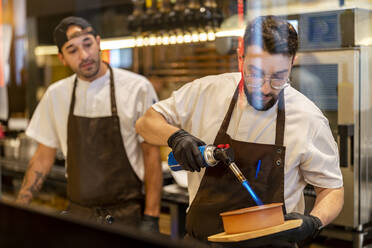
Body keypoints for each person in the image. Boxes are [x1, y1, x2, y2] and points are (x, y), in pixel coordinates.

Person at [135, 15, 344, 247]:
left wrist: (314, 222)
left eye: (278, 77)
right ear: (239, 59)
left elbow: (332, 189)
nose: (265, 88)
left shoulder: (308, 118)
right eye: (255, 74)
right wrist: (175, 137)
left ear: (292, 62)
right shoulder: (206, 92)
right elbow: (145, 123)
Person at [16, 16, 162, 232]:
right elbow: (42, 156)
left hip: (126, 217)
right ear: (62, 58)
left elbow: (151, 155)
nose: (84, 55)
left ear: (98, 42)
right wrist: (20, 207)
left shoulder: (137, 88)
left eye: (87, 44)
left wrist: (152, 217)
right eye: (72, 50)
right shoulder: (56, 95)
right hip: (78, 217)